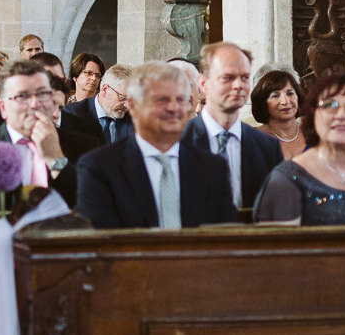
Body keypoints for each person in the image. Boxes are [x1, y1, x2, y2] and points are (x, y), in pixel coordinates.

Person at [76, 62, 237, 230]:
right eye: (162, 99)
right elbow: (99, 244)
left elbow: (229, 238)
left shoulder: (212, 167)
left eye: (182, 99)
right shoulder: (100, 168)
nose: (174, 108)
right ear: (133, 105)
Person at [0, 60, 79, 219]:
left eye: (42, 94)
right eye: (23, 96)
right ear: (4, 108)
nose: (35, 104)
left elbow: (85, 203)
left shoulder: (77, 143)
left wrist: (56, 158)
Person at [254, 72, 345, 225]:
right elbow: (275, 247)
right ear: (313, 116)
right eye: (329, 105)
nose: (341, 115)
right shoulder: (285, 179)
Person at [181, 42, 282, 210]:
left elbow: (275, 209)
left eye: (244, 78)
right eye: (228, 78)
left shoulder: (267, 148)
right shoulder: (177, 142)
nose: (238, 86)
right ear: (203, 83)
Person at [64, 63, 134, 144]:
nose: (127, 105)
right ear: (105, 90)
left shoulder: (133, 117)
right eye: (123, 98)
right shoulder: (73, 114)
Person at [250, 68, 307, 158]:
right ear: (263, 103)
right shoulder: (251, 139)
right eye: (275, 95)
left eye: (290, 93)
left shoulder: (316, 133)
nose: (285, 102)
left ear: (298, 97)